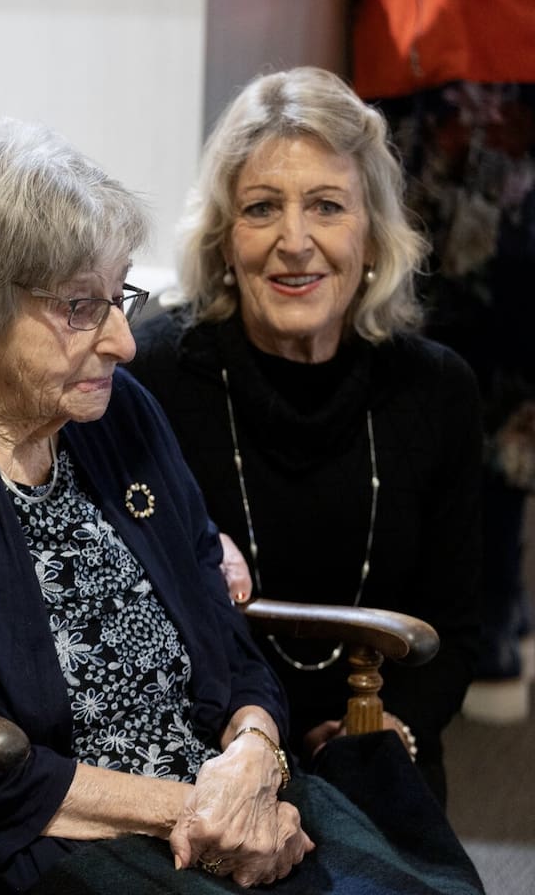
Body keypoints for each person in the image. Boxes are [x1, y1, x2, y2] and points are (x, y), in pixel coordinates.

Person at [0, 120, 482, 894]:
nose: (122, 341)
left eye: (118, 297)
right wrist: (197, 811)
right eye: (80, 307)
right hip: (32, 846)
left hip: (214, 804)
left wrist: (255, 757)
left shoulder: (118, 413)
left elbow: (226, 638)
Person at [125, 67, 483, 807]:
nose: (295, 241)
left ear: (372, 234)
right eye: (262, 208)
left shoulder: (437, 389)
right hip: (204, 761)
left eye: (327, 206)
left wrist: (391, 730)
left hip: (381, 745)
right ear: (225, 240)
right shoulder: (151, 377)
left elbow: (453, 625)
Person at [353, 0, 535, 724]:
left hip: (465, 52)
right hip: (461, 50)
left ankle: (482, 623)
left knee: (460, 360)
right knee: (491, 361)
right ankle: (496, 615)